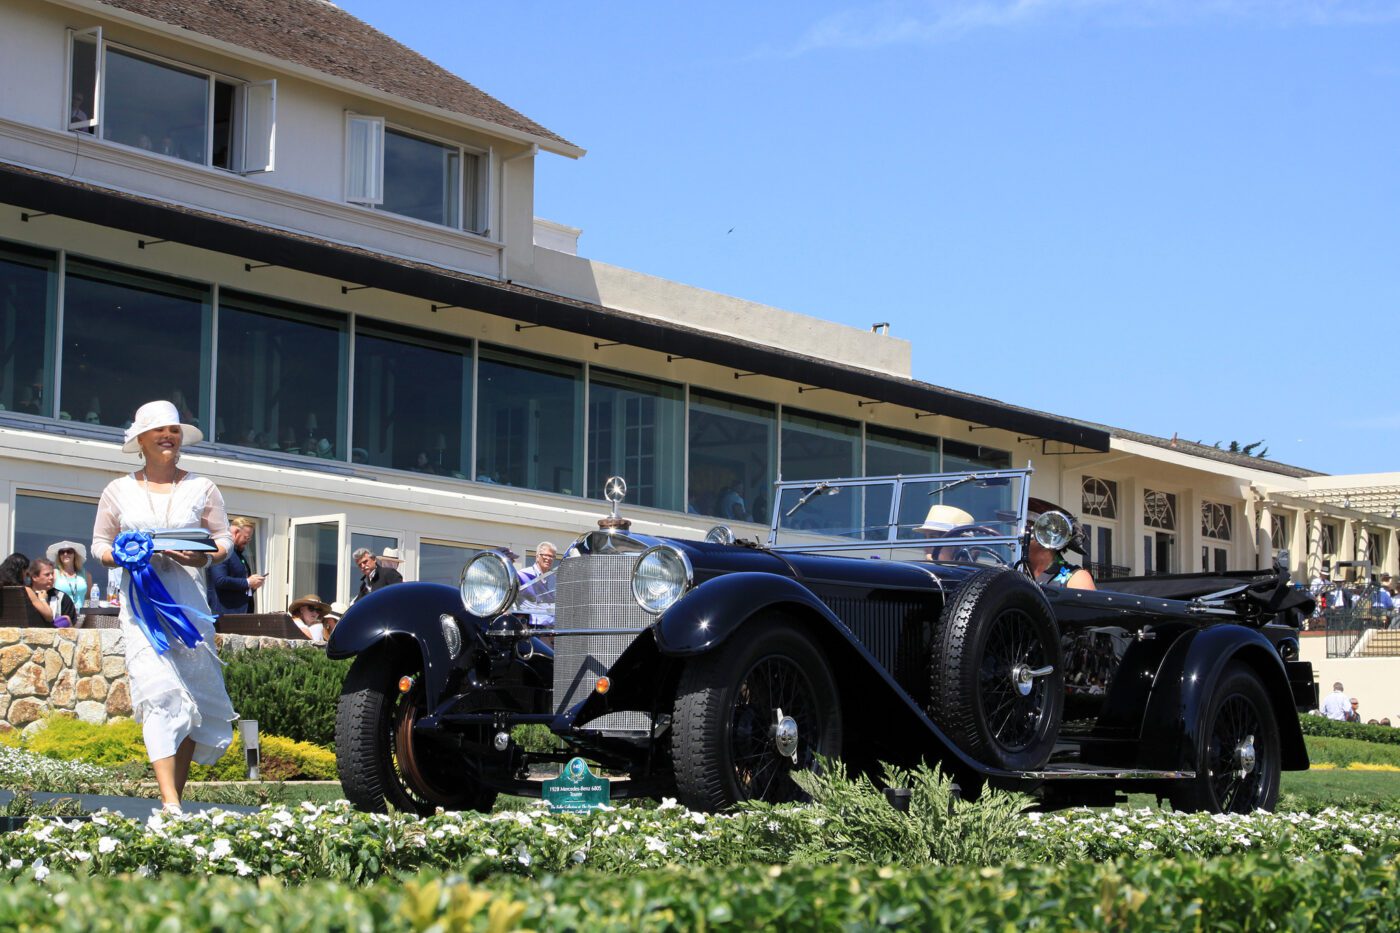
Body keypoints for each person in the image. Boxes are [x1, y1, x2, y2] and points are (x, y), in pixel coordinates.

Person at [91, 399, 238, 815]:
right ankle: (169, 800)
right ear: (141, 440)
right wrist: (122, 557)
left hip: (189, 608)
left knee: (191, 699)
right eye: (159, 430)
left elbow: (223, 539)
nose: (168, 436)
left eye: (174, 430)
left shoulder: (202, 487)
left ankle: (176, 797)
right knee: (161, 693)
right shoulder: (117, 490)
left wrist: (206, 556)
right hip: (141, 609)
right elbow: (99, 544)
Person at [1023, 499, 1096, 590]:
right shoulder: (1014, 573)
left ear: (1049, 536)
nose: (1019, 533)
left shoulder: (1077, 579)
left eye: (1026, 527)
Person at [206, 516, 264, 615]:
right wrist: (248, 582)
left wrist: (252, 586)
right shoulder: (223, 552)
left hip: (241, 613)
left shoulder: (238, 555)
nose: (248, 541)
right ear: (236, 532)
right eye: (246, 537)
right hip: (224, 614)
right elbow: (220, 580)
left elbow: (240, 586)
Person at [27, 558, 77, 626]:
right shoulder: (24, 595)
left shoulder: (62, 597)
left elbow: (72, 625)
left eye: (52, 574)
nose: (51, 577)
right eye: (47, 575)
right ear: (34, 577)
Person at [47, 541, 91, 611]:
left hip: (81, 617)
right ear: (59, 556)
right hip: (61, 616)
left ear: (74, 555)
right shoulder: (54, 573)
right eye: (61, 552)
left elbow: (88, 598)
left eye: (69, 551)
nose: (65, 554)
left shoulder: (85, 574)